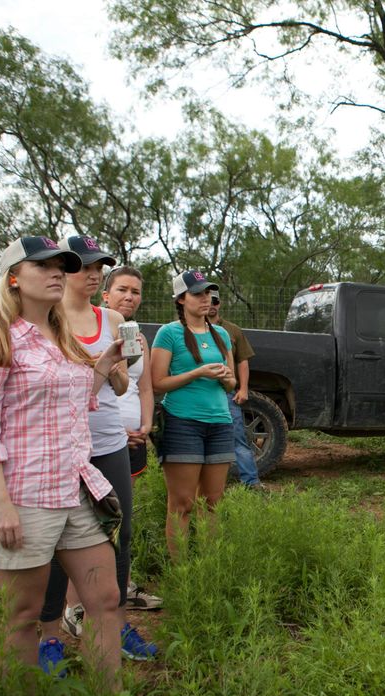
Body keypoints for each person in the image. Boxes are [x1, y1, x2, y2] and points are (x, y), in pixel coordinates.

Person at [0, 236, 123, 687]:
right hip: (23, 495)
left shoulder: (63, 338)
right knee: (23, 613)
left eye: (61, 266)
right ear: (14, 278)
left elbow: (71, 404)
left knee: (105, 599)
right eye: (43, 266)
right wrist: (0, 503)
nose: (57, 273)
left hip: (76, 488)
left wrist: (101, 367)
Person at [38, 236, 157, 672]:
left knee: (119, 533)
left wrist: (118, 366)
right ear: (63, 270)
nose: (93, 275)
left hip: (107, 441)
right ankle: (49, 635)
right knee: (55, 541)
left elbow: (123, 385)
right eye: (84, 267)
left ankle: (115, 624)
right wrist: (98, 367)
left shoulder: (112, 319)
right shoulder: (44, 319)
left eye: (99, 268)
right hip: (61, 445)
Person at [150, 270, 236, 559]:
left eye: (208, 293)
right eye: (197, 293)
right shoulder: (169, 333)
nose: (205, 298)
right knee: (182, 503)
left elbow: (232, 383)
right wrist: (197, 373)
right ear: (180, 299)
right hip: (182, 423)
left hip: (220, 423)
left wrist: (227, 379)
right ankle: (181, 570)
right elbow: (157, 383)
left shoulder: (221, 334)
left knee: (213, 502)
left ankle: (207, 567)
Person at [99, 264, 163, 611]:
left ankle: (121, 584)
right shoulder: (94, 329)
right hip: (103, 436)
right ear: (105, 295)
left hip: (135, 438)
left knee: (122, 515)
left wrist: (146, 425)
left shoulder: (138, 336)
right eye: (122, 289)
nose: (129, 296)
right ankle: (82, 598)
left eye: (135, 292)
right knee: (94, 518)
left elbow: (146, 387)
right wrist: (116, 429)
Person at [207, 290, 261, 487]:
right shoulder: (189, 328)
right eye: (208, 300)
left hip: (226, 392)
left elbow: (242, 361)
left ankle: (251, 482)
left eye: (215, 301)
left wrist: (243, 388)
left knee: (237, 437)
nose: (211, 304)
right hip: (198, 392)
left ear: (220, 303)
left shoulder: (232, 330)